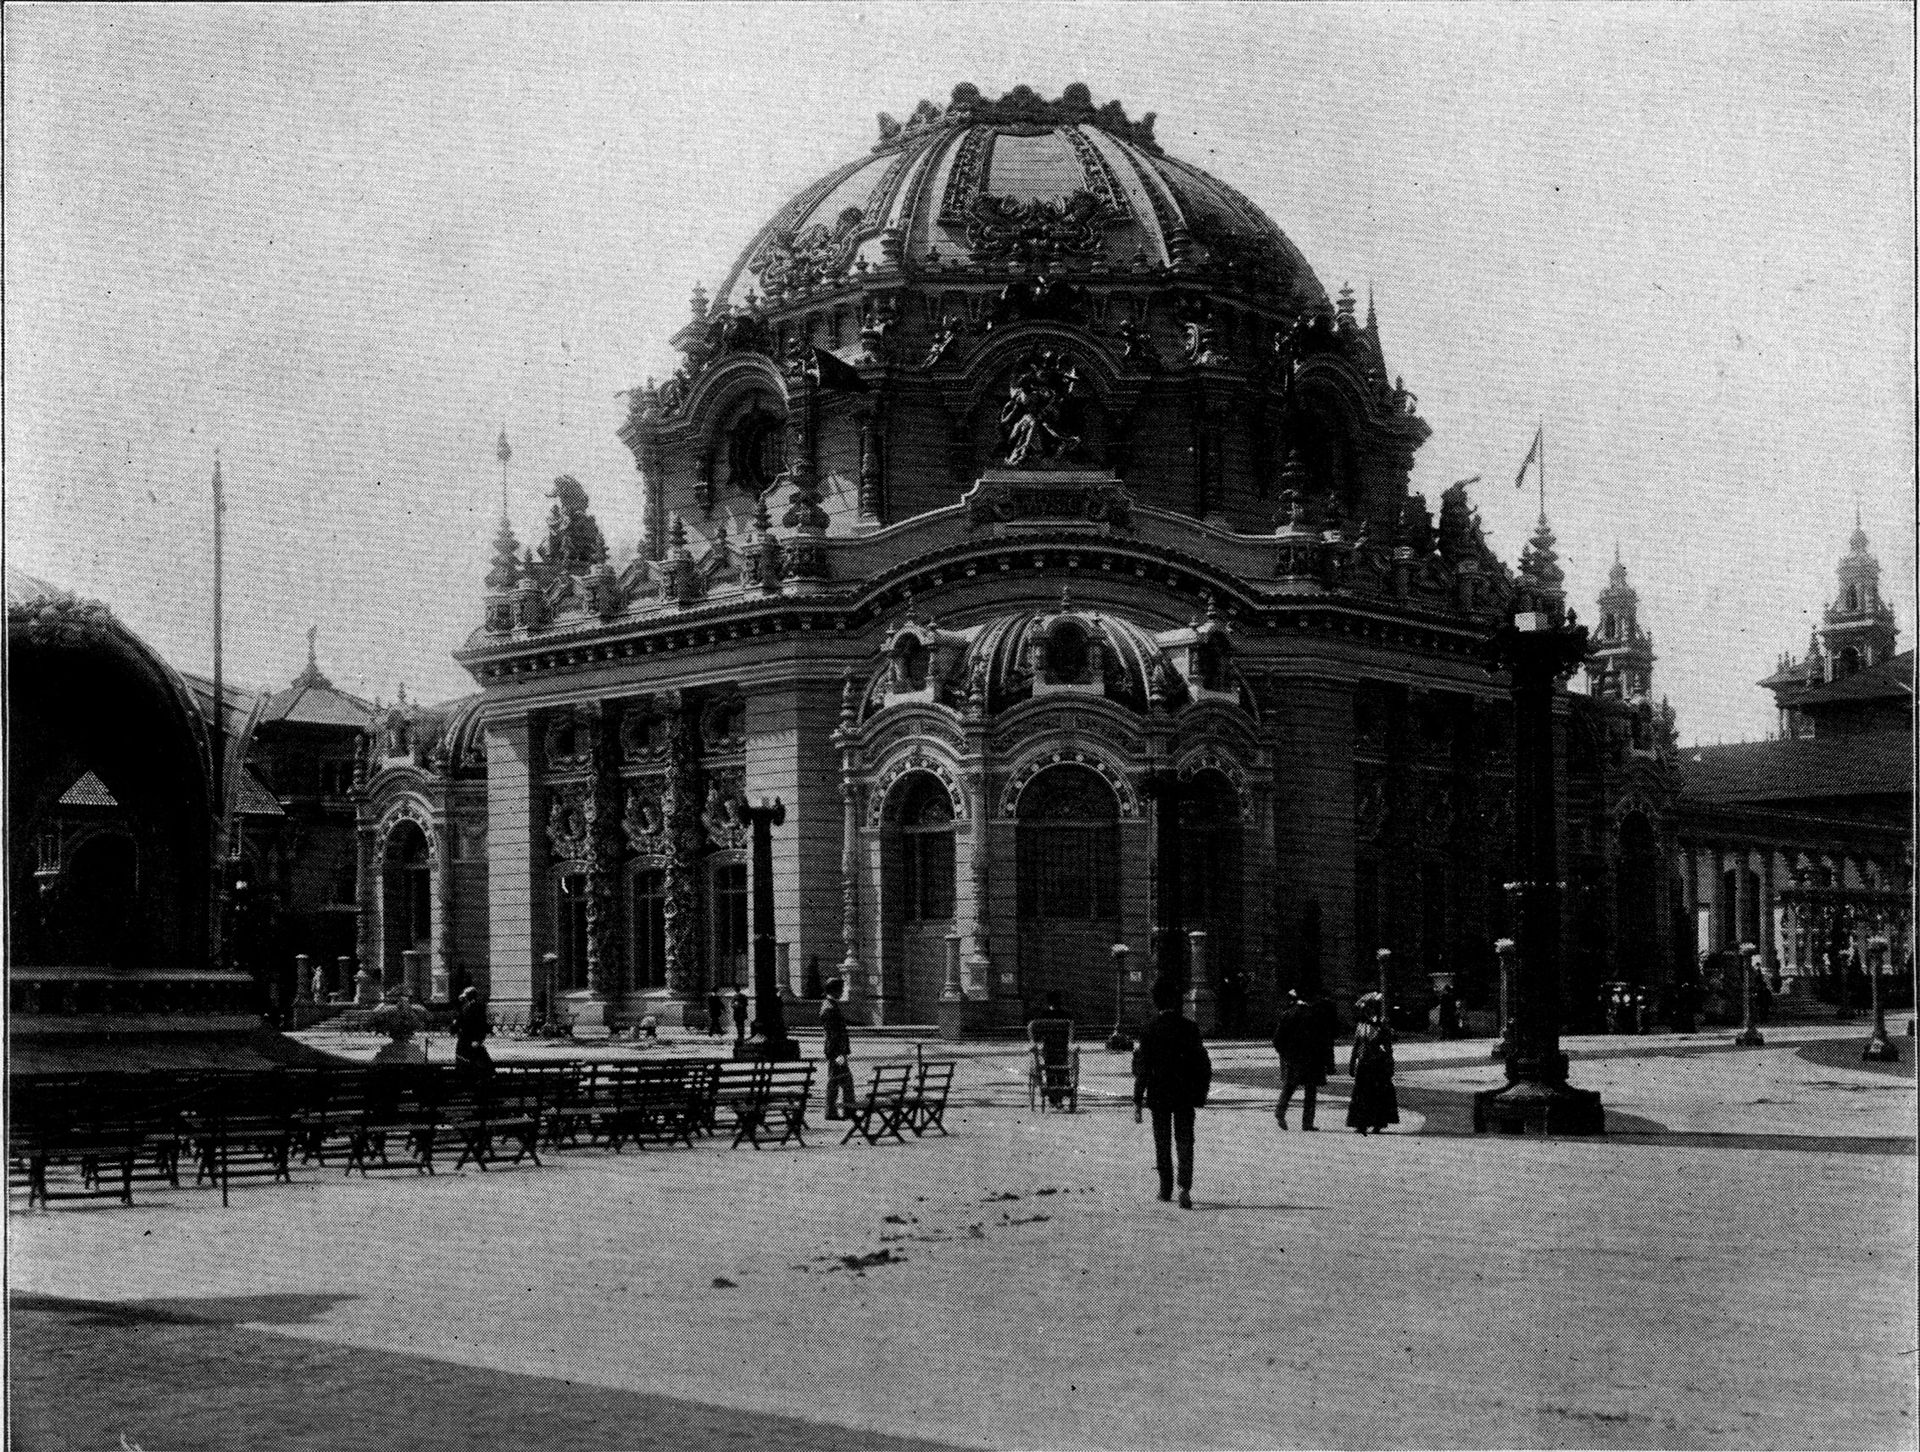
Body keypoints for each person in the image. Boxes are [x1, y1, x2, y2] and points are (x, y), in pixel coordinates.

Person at [1132, 976, 1212, 1208]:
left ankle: (1165, 1188)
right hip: (1184, 1093)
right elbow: (1203, 1064)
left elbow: (1142, 1069)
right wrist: (1201, 1093)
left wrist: (1137, 1100)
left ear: (1156, 1001)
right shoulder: (1189, 1027)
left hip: (1159, 1094)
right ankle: (1184, 1186)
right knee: (1185, 1141)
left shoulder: (1149, 1029)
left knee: (1162, 1142)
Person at [1272, 989, 1327, 1130]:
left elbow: (1277, 1039)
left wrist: (1285, 1054)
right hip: (1311, 1058)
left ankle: (1280, 1110)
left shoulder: (1288, 1014)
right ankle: (1307, 1122)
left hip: (1293, 1057)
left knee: (1289, 1086)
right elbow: (1322, 1040)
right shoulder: (1315, 1014)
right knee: (1310, 1091)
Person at [1346, 992, 1399, 1135]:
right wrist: (1352, 1062)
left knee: (1377, 1094)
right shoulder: (1362, 1025)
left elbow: (1388, 1046)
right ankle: (1361, 1123)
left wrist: (1390, 1063)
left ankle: (1377, 1123)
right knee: (1362, 1094)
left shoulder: (1381, 1024)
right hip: (1364, 1063)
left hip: (1377, 1063)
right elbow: (1356, 1045)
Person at [1027, 990, 1075, 1108]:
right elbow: (1071, 1031)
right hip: (1062, 1047)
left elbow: (1035, 1029)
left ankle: (1053, 1098)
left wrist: (1037, 1041)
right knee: (1062, 1071)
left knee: (1050, 1071)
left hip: (1049, 1048)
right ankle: (1059, 1098)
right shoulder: (1065, 1015)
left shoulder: (1044, 1015)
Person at [820, 976, 855, 1120]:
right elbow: (833, 1033)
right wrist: (839, 1053)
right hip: (836, 1051)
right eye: (840, 989)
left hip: (836, 1050)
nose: (842, 992)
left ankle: (839, 1111)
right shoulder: (829, 1008)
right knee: (841, 1080)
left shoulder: (830, 1005)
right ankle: (842, 1111)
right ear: (834, 990)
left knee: (838, 1080)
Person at [453, 985, 493, 1077]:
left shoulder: (475, 1007)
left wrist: (479, 1039)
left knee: (475, 1061)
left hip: (470, 1040)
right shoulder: (467, 1007)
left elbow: (481, 1024)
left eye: (466, 996)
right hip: (467, 1039)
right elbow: (460, 1021)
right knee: (469, 1060)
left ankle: (483, 1077)